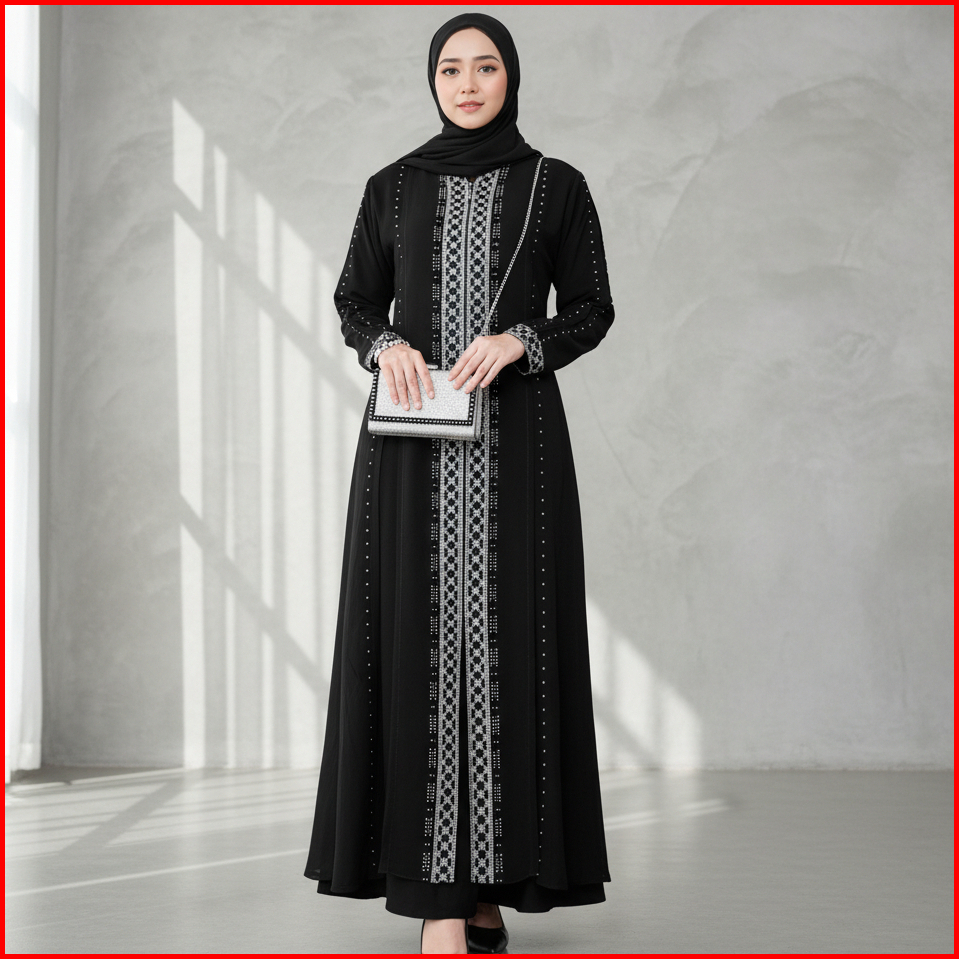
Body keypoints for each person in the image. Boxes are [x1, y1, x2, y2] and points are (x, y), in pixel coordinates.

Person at [304, 13, 614, 954]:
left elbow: (592, 308)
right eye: (450, 68)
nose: (468, 83)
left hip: (519, 447)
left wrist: (522, 340)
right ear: (431, 80)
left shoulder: (556, 186)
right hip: (411, 448)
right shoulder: (391, 186)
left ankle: (489, 887)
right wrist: (385, 344)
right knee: (419, 647)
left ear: (510, 78)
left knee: (510, 651)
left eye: (485, 67)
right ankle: (440, 897)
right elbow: (353, 299)